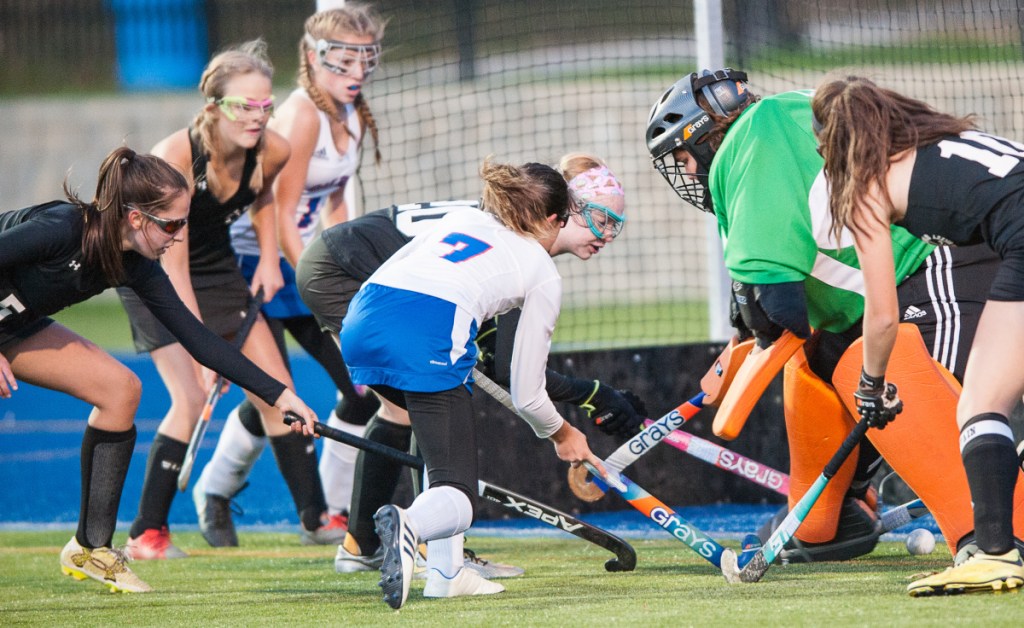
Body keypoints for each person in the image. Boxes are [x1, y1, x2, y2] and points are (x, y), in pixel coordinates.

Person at [645, 68, 1024, 565]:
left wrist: (767, 324)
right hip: (938, 266)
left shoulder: (755, 136)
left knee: (957, 398)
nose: (688, 171)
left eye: (682, 156)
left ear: (707, 138)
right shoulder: (800, 118)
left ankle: (989, 535)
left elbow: (779, 305)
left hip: (945, 266)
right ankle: (831, 511)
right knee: (824, 359)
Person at [296, 153, 644, 581]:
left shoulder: (490, 221)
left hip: (367, 298)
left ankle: (369, 545)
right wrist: (579, 411)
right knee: (426, 418)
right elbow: (511, 373)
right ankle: (427, 549)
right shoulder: (528, 257)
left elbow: (502, 363)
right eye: (602, 220)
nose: (608, 235)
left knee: (408, 409)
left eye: (615, 225)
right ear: (562, 212)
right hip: (344, 269)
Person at [0, 146, 317, 593]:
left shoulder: (135, 264)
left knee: (120, 390)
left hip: (14, 323)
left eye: (185, 221)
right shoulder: (61, 228)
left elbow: (198, 339)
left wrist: (279, 394)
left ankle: (91, 547)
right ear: (135, 219)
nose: (179, 235)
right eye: (171, 223)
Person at [116, 40, 336, 559]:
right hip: (151, 271)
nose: (257, 116)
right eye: (245, 106)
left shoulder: (272, 148)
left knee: (277, 390)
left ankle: (315, 519)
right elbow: (170, 266)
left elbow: (261, 197)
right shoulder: (176, 157)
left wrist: (265, 259)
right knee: (191, 399)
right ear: (214, 106)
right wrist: (203, 357)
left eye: (265, 105)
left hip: (216, 268)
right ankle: (148, 534)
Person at [812, 75, 1024, 595]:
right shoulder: (944, 141)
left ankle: (996, 553)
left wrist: (870, 384)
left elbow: (883, 315)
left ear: (830, 141)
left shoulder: (865, 185)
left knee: (980, 405)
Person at [193, 3, 385, 549]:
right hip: (256, 263)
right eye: (342, 63)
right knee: (276, 393)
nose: (355, 75)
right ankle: (217, 490)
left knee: (361, 386)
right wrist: (314, 275)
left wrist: (348, 262)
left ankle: (340, 505)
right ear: (313, 59)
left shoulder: (350, 112)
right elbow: (278, 206)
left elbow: (336, 201)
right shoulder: (301, 114)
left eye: (364, 62)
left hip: (303, 260)